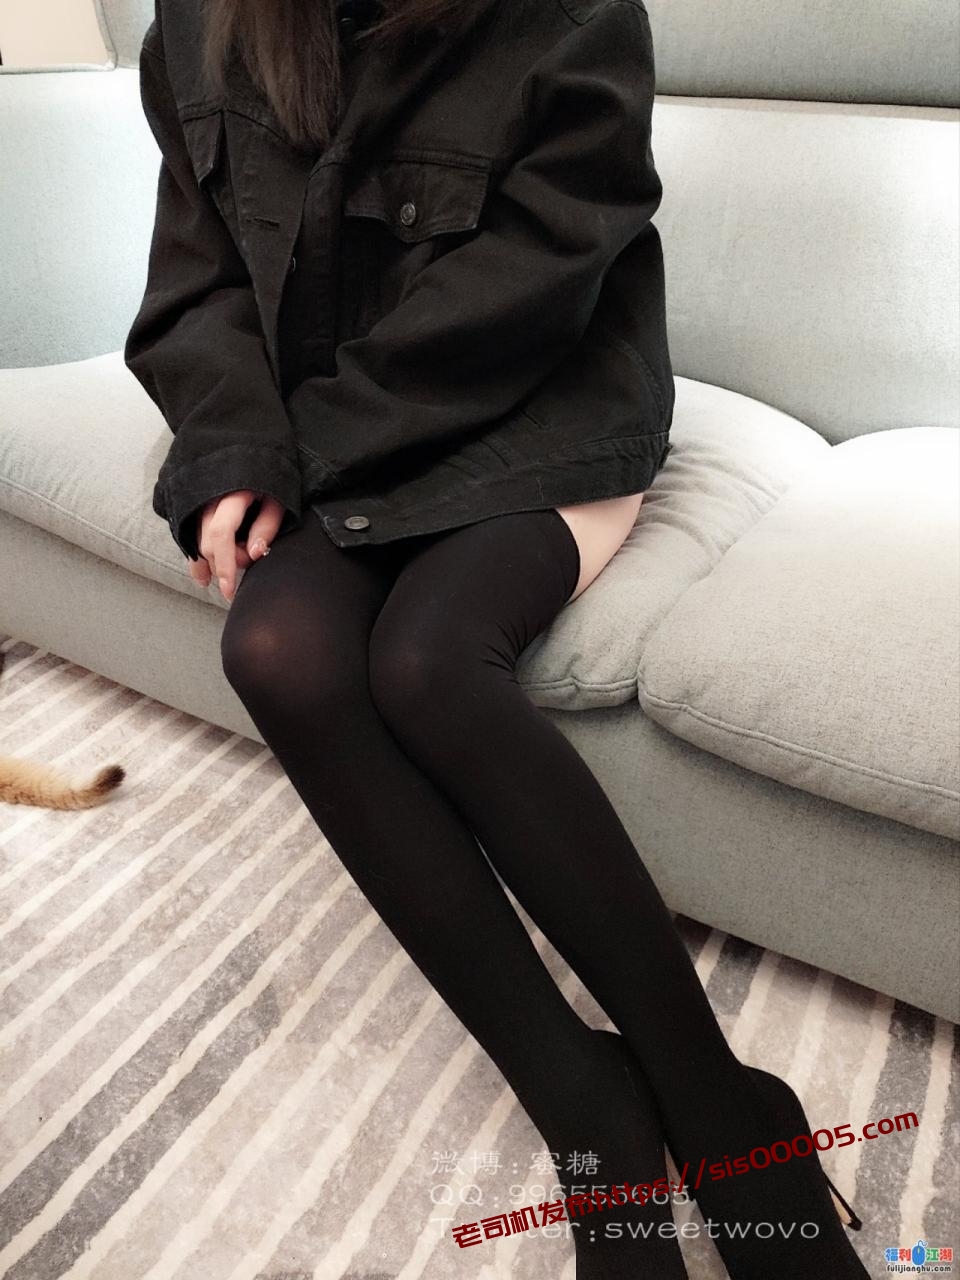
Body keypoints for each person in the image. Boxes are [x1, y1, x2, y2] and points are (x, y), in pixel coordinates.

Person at [125, 0, 870, 1275]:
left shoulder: (570, 14)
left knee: (429, 665)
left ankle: (724, 1108)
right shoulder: (199, 19)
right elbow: (195, 277)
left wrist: (298, 451)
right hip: (328, 429)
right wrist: (233, 445)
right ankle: (588, 1107)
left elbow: (538, 284)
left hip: (539, 402)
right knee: (277, 650)